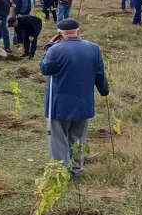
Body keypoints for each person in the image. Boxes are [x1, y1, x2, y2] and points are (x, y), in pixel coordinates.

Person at [40, 18, 109, 176]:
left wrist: (49, 47)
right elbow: (100, 74)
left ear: (60, 34)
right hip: (84, 103)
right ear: (78, 31)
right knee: (78, 138)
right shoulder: (93, 48)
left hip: (59, 104)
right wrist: (104, 90)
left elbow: (45, 68)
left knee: (58, 139)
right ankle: (76, 169)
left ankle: (59, 171)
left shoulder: (55, 50)